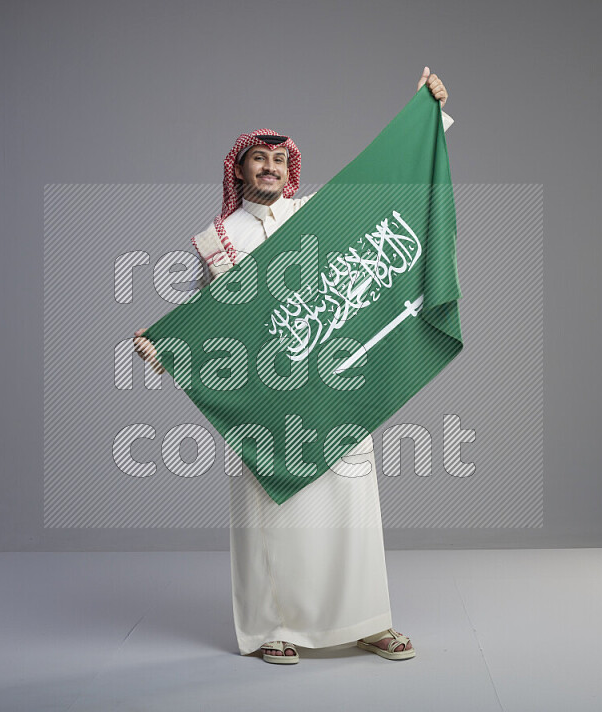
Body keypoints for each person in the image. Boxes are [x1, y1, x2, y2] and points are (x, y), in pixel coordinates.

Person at [134, 67, 452, 664]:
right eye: (259, 160)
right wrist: (168, 343)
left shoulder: (318, 213)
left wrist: (427, 117)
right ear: (239, 169)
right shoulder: (215, 240)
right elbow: (217, 321)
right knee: (270, 514)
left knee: (350, 506)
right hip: (270, 394)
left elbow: (390, 192)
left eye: (279, 160)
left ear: (291, 170)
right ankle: (273, 629)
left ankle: (368, 621)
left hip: (333, 382)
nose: (270, 169)